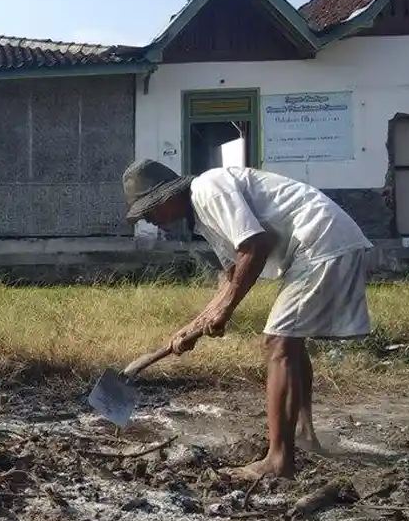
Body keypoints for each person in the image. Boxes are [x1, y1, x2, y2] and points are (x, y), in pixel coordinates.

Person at [121, 159, 373, 480]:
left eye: (150, 211)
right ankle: (303, 434)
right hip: (322, 243)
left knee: (278, 342)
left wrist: (223, 310)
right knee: (291, 341)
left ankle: (278, 461)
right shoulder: (203, 217)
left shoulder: (208, 189)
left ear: (167, 197)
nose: (152, 221)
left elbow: (256, 247)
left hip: (321, 241)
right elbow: (231, 275)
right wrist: (194, 326)